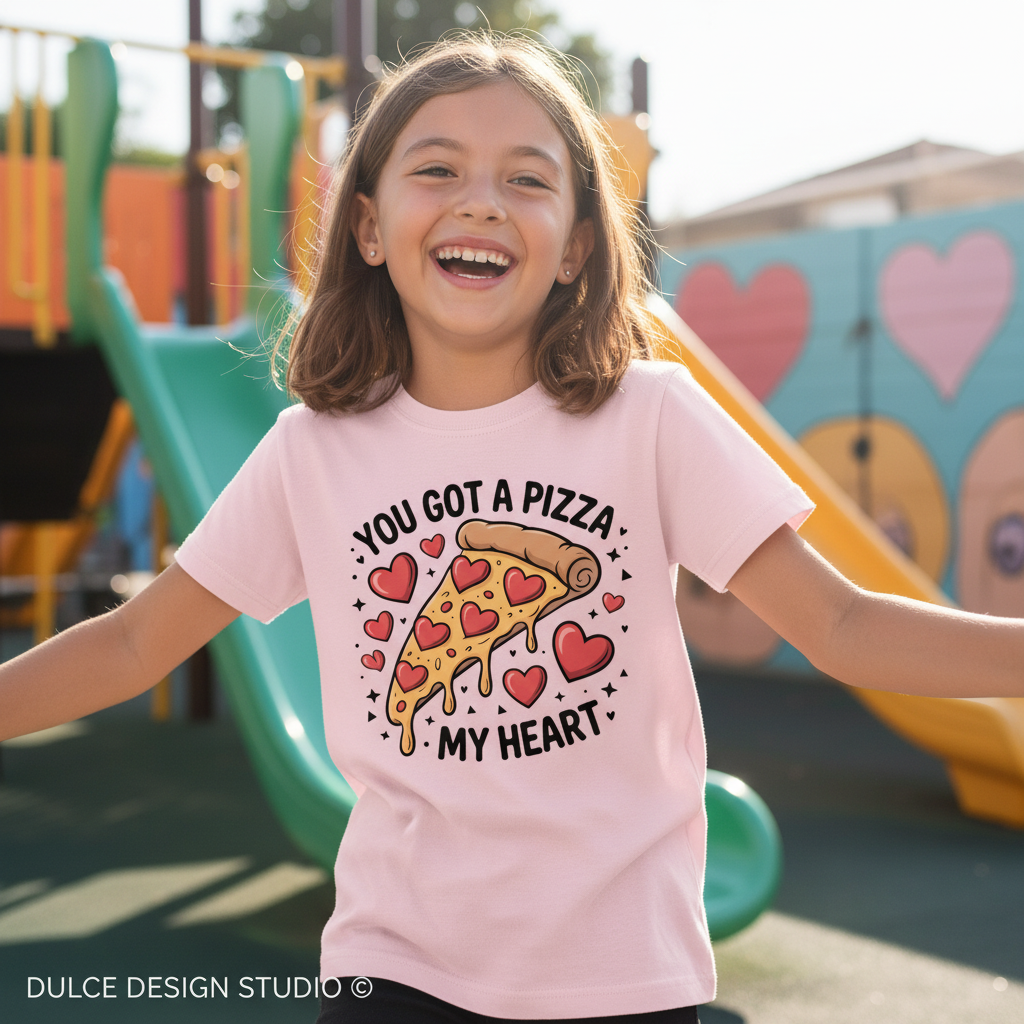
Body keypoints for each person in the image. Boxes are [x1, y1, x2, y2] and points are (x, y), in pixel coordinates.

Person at [1, 33, 1022, 1024]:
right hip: (391, 966)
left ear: (577, 244)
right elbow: (134, 642)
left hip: (624, 974)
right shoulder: (311, 452)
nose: (481, 200)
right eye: (437, 168)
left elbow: (840, 626)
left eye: (527, 179)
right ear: (368, 226)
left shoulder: (652, 418)